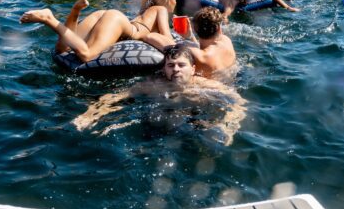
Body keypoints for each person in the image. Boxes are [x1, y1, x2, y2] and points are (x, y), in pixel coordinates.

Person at [72, 44, 246, 146]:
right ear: (164, 69)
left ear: (193, 69)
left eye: (181, 65)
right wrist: (90, 115)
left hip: (194, 124)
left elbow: (238, 102)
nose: (176, 69)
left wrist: (228, 126)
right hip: (156, 125)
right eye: (171, 65)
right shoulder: (153, 85)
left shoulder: (207, 86)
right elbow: (115, 96)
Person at [20, 0, 175, 63]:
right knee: (87, 55)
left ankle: (76, 11)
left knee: (62, 49)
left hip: (106, 16)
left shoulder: (145, 11)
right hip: (119, 22)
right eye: (175, 0)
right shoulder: (160, 9)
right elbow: (168, 40)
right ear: (169, 0)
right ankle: (49, 19)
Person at [144, 7, 236, 78]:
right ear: (219, 28)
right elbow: (204, 48)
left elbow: (150, 36)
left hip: (204, 92)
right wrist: (189, 36)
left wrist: (178, 43)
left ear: (196, 29)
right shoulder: (226, 41)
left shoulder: (196, 54)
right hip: (229, 86)